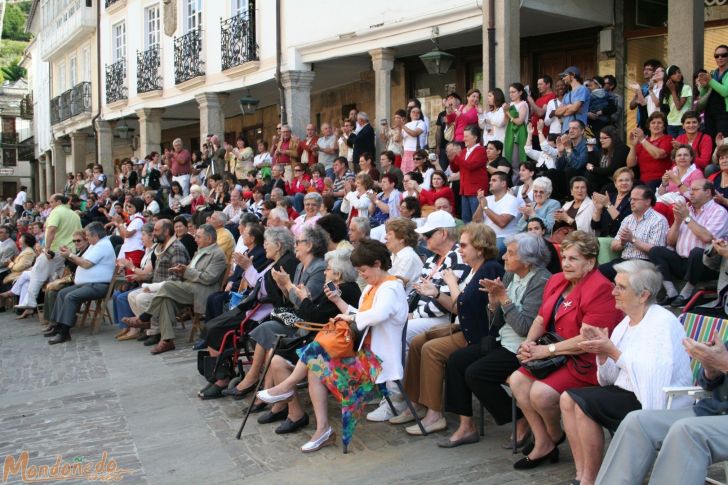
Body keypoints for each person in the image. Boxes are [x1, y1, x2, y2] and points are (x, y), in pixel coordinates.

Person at [560, 260, 693, 485]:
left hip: (658, 401)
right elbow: (610, 378)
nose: (613, 292)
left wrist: (611, 350)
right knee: (568, 398)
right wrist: (602, 352)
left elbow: (653, 379)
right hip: (630, 392)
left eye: (621, 287)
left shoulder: (661, 322)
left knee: (582, 403)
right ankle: (583, 474)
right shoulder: (626, 323)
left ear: (643, 296)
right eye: (615, 285)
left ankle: (589, 479)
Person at [508, 231, 622, 470]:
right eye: (564, 257)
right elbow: (541, 318)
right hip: (556, 355)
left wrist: (546, 350)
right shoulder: (557, 280)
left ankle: (554, 434)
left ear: (590, 262)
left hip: (588, 360)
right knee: (517, 380)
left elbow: (588, 338)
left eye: (574, 258)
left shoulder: (601, 288)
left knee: (540, 394)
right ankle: (543, 442)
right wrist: (529, 344)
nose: (566, 263)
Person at [439, 233, 552, 448]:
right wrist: (492, 303)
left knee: (476, 373)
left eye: (510, 253)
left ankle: (520, 420)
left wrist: (502, 298)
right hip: (503, 340)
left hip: (524, 347)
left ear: (528, 260)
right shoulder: (511, 275)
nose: (504, 258)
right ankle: (466, 426)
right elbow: (497, 322)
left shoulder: (541, 280)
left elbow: (524, 328)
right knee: (456, 361)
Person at [393, 223, 503, 436]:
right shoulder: (473, 269)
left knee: (431, 349)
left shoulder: (490, 269)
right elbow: (456, 306)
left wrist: (451, 283)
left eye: (464, 245)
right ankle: (415, 403)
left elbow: (463, 305)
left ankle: (435, 414)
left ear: (479, 248)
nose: (459, 250)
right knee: (417, 342)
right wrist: (435, 293)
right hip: (463, 328)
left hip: (477, 336)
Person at [248, 248, 362, 432]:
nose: (325, 271)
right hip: (319, 339)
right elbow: (309, 315)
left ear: (338, 274)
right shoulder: (337, 288)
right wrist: (304, 298)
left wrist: (304, 298)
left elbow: (311, 318)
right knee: (276, 356)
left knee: (277, 357)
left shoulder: (344, 290)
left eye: (328, 269)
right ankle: (291, 411)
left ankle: (292, 412)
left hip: (331, 346)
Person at [595, 334, 728, 485]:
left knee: (687, 431)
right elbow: (709, 385)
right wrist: (711, 367)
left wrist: (724, 363)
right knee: (637, 421)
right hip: (712, 410)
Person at [123, 224, 227, 354]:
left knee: (167, 285)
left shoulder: (217, 254)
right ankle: (167, 341)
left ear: (210, 238)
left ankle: (145, 317)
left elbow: (208, 278)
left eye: (198, 237)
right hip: (190, 288)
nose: (195, 239)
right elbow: (193, 271)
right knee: (166, 300)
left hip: (202, 292)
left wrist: (186, 271)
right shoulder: (200, 250)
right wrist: (183, 269)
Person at [648, 179, 728, 307]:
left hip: (706, 265)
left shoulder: (719, 212)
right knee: (656, 251)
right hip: (683, 262)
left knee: (697, 252)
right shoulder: (687, 210)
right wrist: (677, 221)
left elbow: (707, 237)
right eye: (690, 189)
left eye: (695, 190)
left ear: (708, 192)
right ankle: (671, 291)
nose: (690, 193)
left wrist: (686, 218)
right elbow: (670, 241)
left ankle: (687, 290)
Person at [44, 222, 117, 345]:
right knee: (62, 293)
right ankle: (58, 326)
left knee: (70, 297)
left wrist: (70, 255)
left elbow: (86, 264)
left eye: (87, 235)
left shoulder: (102, 245)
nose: (86, 238)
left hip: (99, 285)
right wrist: (69, 255)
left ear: (95, 235)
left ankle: (64, 333)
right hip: (89, 284)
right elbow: (81, 260)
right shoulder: (95, 245)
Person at [15, 194, 81, 313]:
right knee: (59, 275)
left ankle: (30, 300)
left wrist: (47, 248)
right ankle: (65, 307)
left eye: (51, 202)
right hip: (70, 250)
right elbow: (79, 232)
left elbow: (51, 229)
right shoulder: (74, 214)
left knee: (37, 271)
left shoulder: (56, 212)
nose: (49, 205)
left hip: (56, 250)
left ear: (59, 202)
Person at [599, 185, 668, 281]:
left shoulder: (658, 220)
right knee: (598, 272)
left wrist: (633, 240)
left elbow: (656, 251)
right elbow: (613, 246)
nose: (631, 202)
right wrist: (622, 242)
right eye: (631, 199)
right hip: (624, 261)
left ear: (648, 201)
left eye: (635, 199)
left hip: (645, 263)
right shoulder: (628, 219)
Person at [449, 124, 488, 222]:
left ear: (475, 137)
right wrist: (451, 157)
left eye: (466, 136)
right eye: (463, 136)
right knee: (466, 219)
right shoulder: (464, 151)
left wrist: (458, 156)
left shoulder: (481, 150)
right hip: (464, 190)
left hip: (476, 190)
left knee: (477, 219)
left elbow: (470, 166)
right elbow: (455, 169)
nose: (463, 139)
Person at [474, 172, 520, 253]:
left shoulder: (511, 200)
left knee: (486, 254)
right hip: (486, 238)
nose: (490, 182)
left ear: (503, 183)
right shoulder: (487, 199)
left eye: (494, 180)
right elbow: (476, 222)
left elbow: (502, 223)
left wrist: (485, 207)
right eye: (490, 180)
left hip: (504, 238)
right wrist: (481, 204)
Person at [626, 111, 673, 188]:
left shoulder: (668, 139)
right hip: (643, 181)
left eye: (659, 123)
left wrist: (642, 139)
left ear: (664, 127)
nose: (656, 125)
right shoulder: (643, 142)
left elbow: (658, 155)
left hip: (661, 180)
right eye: (653, 123)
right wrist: (633, 146)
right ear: (649, 126)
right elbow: (630, 164)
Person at [591, 167, 634, 238]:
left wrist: (608, 205)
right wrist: (598, 210)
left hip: (620, 240)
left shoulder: (634, 200)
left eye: (627, 180)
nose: (624, 183)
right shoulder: (610, 197)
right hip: (603, 238)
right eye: (620, 180)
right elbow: (595, 226)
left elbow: (622, 224)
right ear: (615, 184)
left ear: (632, 183)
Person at [697, 44, 728, 141]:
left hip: (724, 113)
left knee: (722, 141)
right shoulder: (713, 73)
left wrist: (710, 80)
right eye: (717, 56)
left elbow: (725, 92)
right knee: (710, 140)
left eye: (723, 55)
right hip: (709, 112)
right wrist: (703, 86)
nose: (720, 58)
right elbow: (703, 94)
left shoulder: (712, 76)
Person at [585, 126, 629, 193]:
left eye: (604, 138)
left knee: (591, 176)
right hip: (605, 180)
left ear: (613, 138)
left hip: (617, 181)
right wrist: (590, 149)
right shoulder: (603, 150)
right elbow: (593, 165)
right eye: (600, 138)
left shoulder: (622, 149)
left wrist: (592, 168)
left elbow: (611, 170)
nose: (601, 140)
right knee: (588, 175)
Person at [385, 217, 423, 294]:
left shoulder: (408, 257)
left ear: (402, 238)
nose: (385, 237)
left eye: (389, 234)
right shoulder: (395, 254)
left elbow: (394, 287)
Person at [553, 66, 590, 132]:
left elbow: (574, 108)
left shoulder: (582, 89)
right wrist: (568, 106)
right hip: (565, 130)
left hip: (578, 130)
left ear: (573, 75)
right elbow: (557, 112)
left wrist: (564, 112)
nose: (563, 78)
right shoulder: (567, 95)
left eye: (565, 75)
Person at [504, 83, 529, 175]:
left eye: (513, 92)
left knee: (516, 163)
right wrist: (504, 112)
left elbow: (519, 121)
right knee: (510, 161)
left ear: (520, 92)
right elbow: (506, 122)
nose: (511, 94)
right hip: (510, 134)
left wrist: (508, 112)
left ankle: (518, 183)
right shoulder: (510, 104)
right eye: (510, 92)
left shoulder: (523, 104)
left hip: (519, 136)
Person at [401, 108, 426, 174]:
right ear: (409, 114)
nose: (415, 113)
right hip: (406, 152)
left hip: (416, 152)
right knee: (406, 175)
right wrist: (398, 127)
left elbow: (414, 134)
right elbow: (398, 139)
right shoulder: (406, 125)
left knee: (416, 174)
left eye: (418, 112)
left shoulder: (421, 123)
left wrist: (402, 125)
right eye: (413, 112)